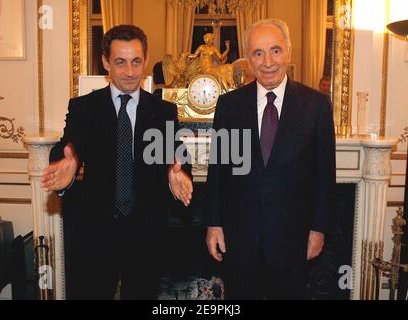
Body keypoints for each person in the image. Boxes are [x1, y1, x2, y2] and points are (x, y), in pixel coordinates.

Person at [41, 25, 193, 300]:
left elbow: (178, 155)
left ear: (145, 60)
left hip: (146, 236)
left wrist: (176, 173)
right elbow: (68, 147)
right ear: (105, 62)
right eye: (120, 62)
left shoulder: (163, 111)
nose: (130, 71)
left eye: (136, 62)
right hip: (96, 235)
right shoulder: (84, 107)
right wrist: (69, 162)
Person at [205, 19, 336, 299]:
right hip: (240, 239)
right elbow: (218, 170)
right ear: (248, 59)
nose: (267, 62)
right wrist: (213, 224)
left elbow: (326, 177)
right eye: (258, 53)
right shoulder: (229, 106)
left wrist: (319, 229)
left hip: (293, 238)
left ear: (288, 52)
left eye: (275, 51)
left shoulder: (316, 105)